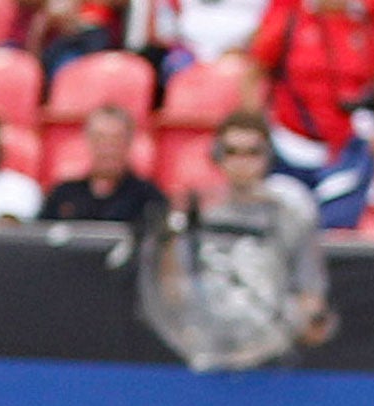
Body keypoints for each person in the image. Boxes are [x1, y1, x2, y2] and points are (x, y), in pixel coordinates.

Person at [139, 110, 331, 370]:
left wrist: (280, 333)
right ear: (218, 156)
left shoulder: (290, 216)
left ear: (268, 156)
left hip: (271, 359)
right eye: (232, 151)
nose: (242, 162)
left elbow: (310, 293)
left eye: (252, 152)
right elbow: (174, 294)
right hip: (207, 354)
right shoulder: (197, 218)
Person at [244, 0, 374, 229]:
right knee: (282, 226)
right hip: (289, 144)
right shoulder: (291, 20)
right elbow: (254, 73)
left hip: (344, 151)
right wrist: (256, 124)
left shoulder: (364, 28)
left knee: (336, 228)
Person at [40, 103, 165, 223]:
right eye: (100, 139)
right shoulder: (63, 195)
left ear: (129, 142)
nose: (107, 148)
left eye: (116, 139)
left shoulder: (148, 199)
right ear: (88, 141)